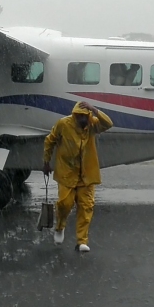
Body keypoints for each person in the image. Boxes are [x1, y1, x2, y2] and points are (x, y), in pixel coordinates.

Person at [42, 101, 113, 252]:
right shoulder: (63, 124)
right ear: (74, 115)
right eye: (79, 116)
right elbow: (50, 140)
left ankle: (82, 241)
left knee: (86, 206)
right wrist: (46, 162)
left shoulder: (92, 125)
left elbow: (108, 123)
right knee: (64, 204)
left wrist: (94, 110)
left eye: (84, 116)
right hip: (66, 172)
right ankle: (60, 227)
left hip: (86, 174)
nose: (82, 119)